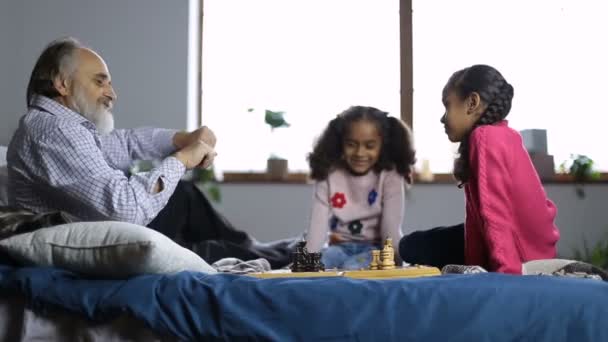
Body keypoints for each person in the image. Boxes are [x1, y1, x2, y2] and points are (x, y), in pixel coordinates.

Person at [6, 37, 295, 267]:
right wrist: (180, 160)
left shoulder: (63, 126)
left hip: (98, 222)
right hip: (94, 234)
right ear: (62, 83)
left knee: (184, 197)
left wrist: (182, 139)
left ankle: (268, 249)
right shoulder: (52, 132)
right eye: (100, 81)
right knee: (204, 248)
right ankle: (293, 257)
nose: (112, 93)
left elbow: (125, 144)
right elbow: (126, 209)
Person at [399, 64, 560, 274]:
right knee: (426, 240)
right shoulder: (502, 135)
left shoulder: (484, 137)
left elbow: (495, 213)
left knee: (410, 245)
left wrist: (507, 274)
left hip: (521, 255)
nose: (442, 117)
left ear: (472, 103)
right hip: (531, 248)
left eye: (447, 106)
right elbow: (482, 218)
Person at [306, 106, 416, 270]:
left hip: (375, 250)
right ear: (340, 143)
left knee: (350, 268)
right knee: (317, 263)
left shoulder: (390, 176)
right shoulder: (328, 173)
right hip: (338, 247)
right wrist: (306, 263)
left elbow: (391, 229)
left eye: (369, 146)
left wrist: (395, 259)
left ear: (382, 145)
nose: (360, 153)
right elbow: (317, 226)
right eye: (351, 144)